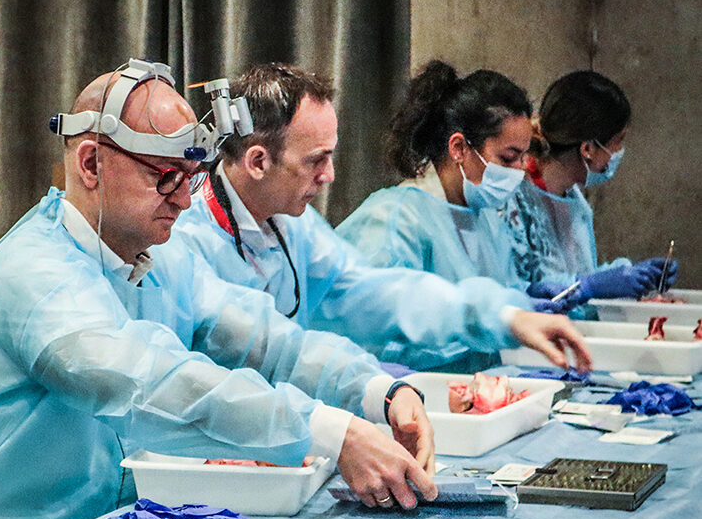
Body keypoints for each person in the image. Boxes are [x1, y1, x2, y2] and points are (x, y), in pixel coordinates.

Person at [0, 59, 438, 519]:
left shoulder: (159, 259)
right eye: (167, 177)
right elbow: (150, 383)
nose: (186, 201)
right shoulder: (32, 275)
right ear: (91, 164)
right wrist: (330, 431)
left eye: (191, 178)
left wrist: (378, 390)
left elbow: (267, 342)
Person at [172, 62, 592, 373]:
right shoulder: (185, 239)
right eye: (316, 160)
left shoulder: (292, 226)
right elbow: (261, 351)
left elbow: (376, 290)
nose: (329, 176)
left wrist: (502, 314)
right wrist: (363, 384)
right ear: (258, 162)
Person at [337, 61, 538, 296]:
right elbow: (379, 309)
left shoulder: (486, 219)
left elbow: (496, 292)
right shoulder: (397, 220)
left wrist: (525, 298)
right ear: (459, 148)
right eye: (508, 158)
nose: (520, 170)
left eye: (523, 157)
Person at [498, 70, 677, 301]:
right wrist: (590, 285)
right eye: (618, 141)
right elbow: (515, 292)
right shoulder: (512, 202)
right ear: (588, 149)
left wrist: (624, 276)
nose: (619, 152)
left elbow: (579, 274)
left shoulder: (573, 199)